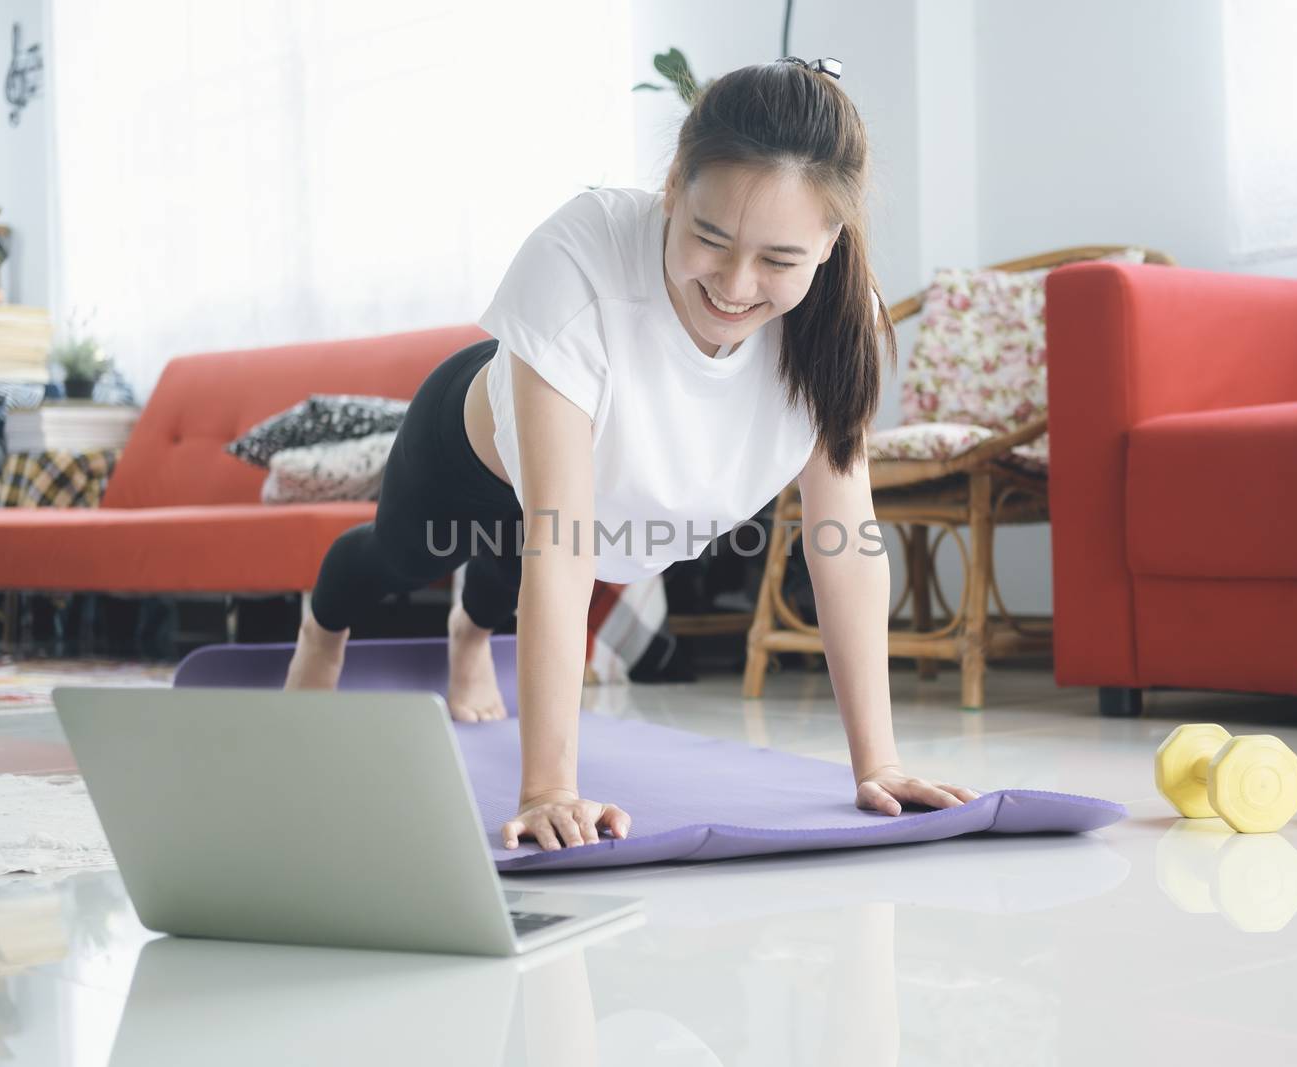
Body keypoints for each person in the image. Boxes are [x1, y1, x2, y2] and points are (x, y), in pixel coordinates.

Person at [286, 57, 981, 851]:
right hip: (475, 454)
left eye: (778, 261)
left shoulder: (840, 323)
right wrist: (550, 788)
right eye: (709, 237)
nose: (734, 284)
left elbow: (846, 543)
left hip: (601, 508)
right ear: (673, 187)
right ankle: (321, 631)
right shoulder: (578, 257)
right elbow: (560, 536)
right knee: (398, 556)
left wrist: (878, 763)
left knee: (502, 581)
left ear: (831, 238)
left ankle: (469, 635)